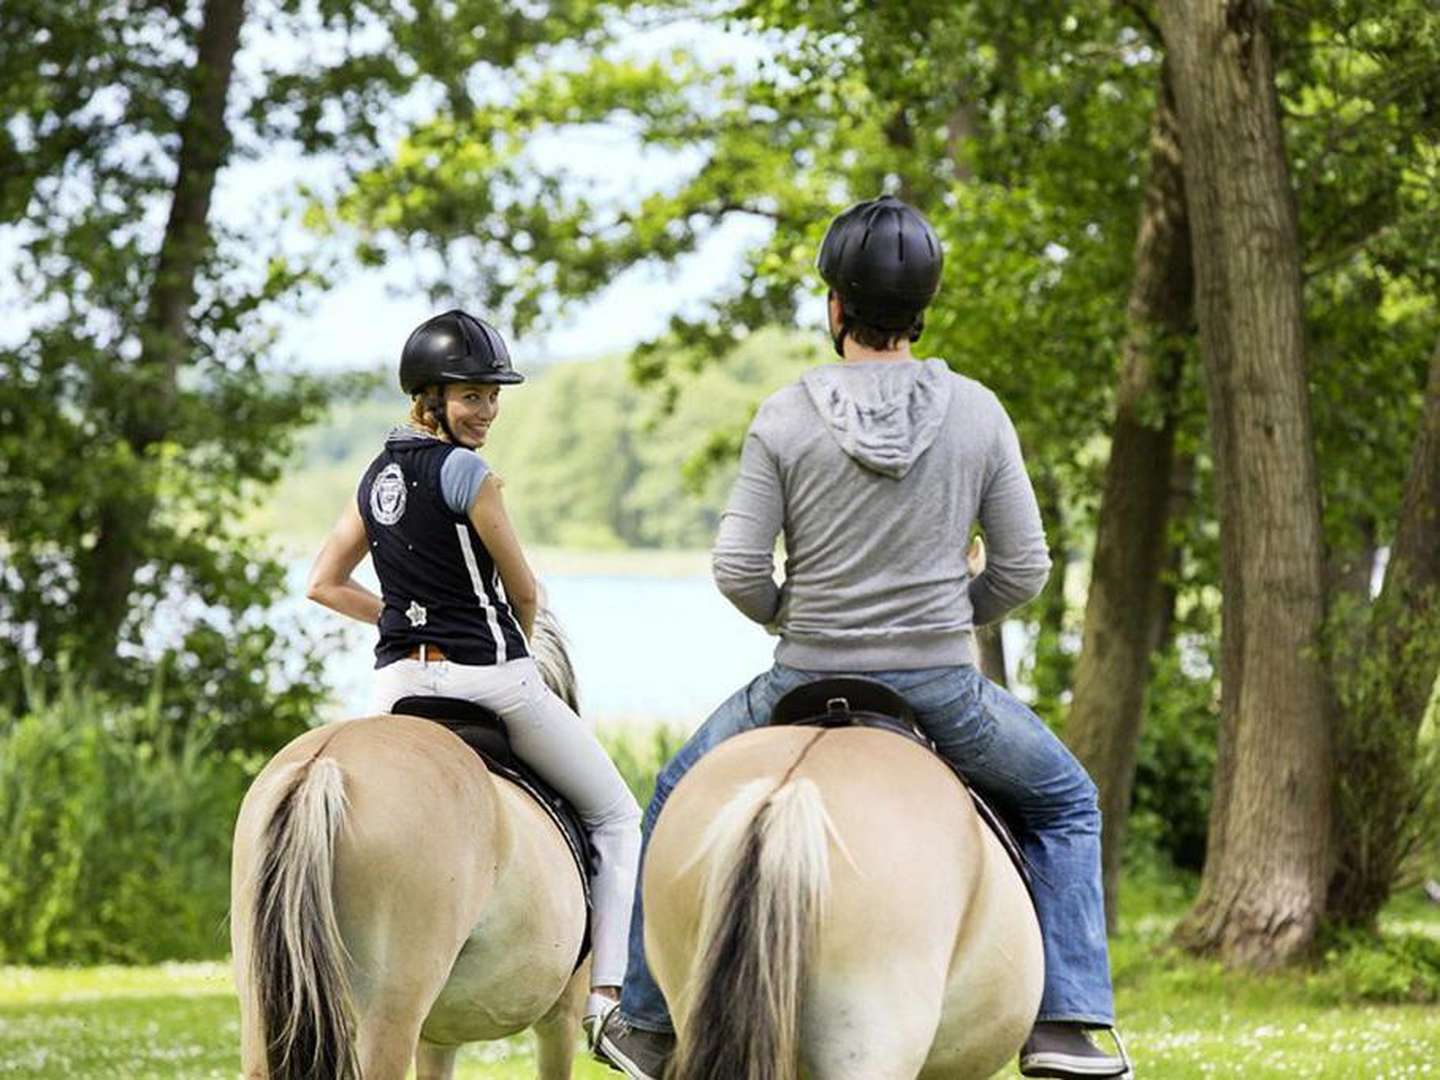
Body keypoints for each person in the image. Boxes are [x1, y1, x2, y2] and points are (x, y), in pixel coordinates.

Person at [589, 197, 1128, 1079]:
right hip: (942, 687)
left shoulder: (784, 416)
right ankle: (1066, 1022)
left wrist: (793, 615)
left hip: (800, 674)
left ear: (835, 306)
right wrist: (958, 609)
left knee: (675, 791)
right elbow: (1025, 568)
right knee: (1068, 803)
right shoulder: (978, 413)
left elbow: (735, 567)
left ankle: (647, 1022)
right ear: (922, 310)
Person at [306, 308, 642, 1029]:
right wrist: (508, 644)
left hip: (397, 688)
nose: (486, 409)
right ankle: (609, 1000)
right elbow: (525, 592)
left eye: (492, 395)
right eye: (471, 395)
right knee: (618, 817)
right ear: (430, 398)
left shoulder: (375, 478)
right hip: (492, 681)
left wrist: (401, 618)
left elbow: (324, 582)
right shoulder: (471, 474)